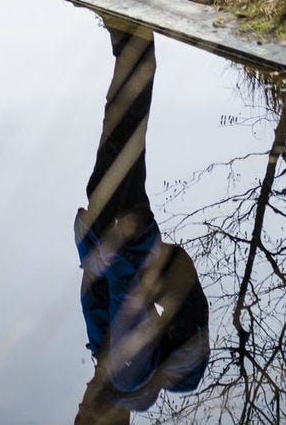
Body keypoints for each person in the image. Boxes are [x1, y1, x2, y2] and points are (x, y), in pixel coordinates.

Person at [73, 21, 209, 423]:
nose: (79, 405)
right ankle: (135, 40)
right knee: (125, 128)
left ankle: (130, 45)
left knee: (119, 128)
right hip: (124, 231)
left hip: (114, 230)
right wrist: (118, 237)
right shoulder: (126, 374)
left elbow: (99, 293)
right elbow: (130, 294)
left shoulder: (116, 373)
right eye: (83, 415)